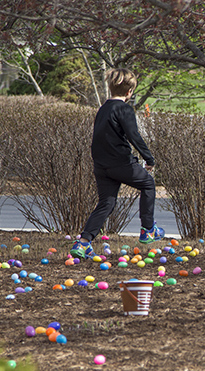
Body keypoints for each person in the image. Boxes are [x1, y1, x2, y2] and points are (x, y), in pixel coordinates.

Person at [71, 68, 164, 259]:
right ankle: (148, 229)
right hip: (120, 163)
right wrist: (149, 158)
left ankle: (83, 243)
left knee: (107, 202)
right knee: (148, 183)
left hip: (101, 165)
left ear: (111, 88)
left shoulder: (103, 108)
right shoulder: (124, 109)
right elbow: (134, 136)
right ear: (130, 92)